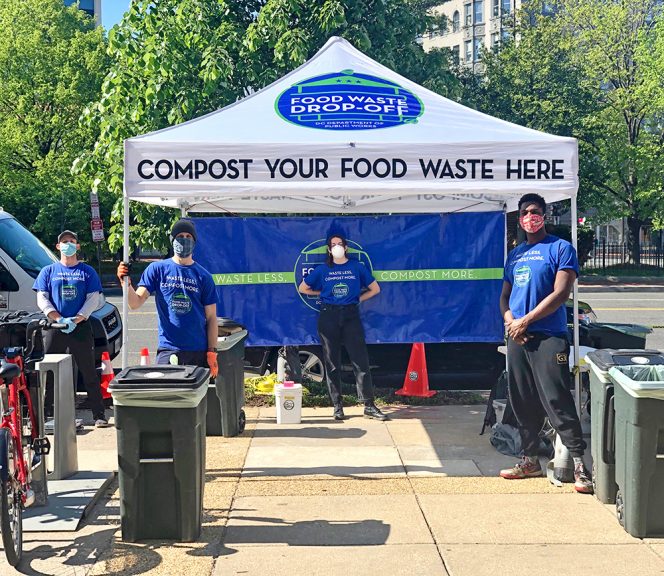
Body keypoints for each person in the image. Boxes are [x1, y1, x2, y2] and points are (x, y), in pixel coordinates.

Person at [499, 193, 593, 493]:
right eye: (525, 212)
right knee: (522, 400)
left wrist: (525, 322)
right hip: (518, 337)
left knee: (557, 399)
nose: (530, 216)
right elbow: (504, 296)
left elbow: (561, 293)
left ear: (545, 214)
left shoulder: (560, 248)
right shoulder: (515, 255)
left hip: (549, 337)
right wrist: (512, 322)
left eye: (535, 211)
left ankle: (580, 464)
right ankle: (529, 460)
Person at [298, 234, 388, 421]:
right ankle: (337, 406)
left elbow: (375, 289)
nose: (337, 247)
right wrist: (320, 294)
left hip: (350, 316)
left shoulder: (357, 267)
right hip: (328, 315)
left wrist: (356, 300)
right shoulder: (323, 269)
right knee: (332, 362)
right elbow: (302, 288)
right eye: (333, 245)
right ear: (329, 250)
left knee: (360, 360)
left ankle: (369, 405)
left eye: (340, 244)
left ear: (346, 248)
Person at [116, 219, 218, 378]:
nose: (184, 240)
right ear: (172, 240)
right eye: (180, 236)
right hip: (168, 349)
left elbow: (211, 318)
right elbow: (135, 303)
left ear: (194, 241)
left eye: (188, 236)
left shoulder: (203, 276)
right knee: (167, 398)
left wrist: (212, 351)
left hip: (197, 349)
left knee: (197, 400)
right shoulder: (157, 269)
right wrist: (125, 282)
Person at [33, 230, 108, 428]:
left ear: (77, 246)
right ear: (58, 247)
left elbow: (93, 298)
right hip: (55, 327)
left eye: (71, 241)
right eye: (64, 241)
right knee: (49, 372)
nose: (68, 244)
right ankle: (48, 415)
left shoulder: (87, 272)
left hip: (81, 327)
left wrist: (78, 318)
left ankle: (99, 415)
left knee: (89, 371)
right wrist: (58, 318)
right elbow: (42, 297)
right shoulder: (48, 271)